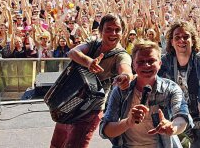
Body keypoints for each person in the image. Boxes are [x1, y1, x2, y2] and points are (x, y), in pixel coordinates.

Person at [50, 13, 133, 148]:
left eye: (117, 29)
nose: (113, 33)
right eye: (109, 29)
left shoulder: (121, 55)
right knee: (57, 143)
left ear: (123, 32)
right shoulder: (93, 43)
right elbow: (72, 52)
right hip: (70, 101)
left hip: (89, 109)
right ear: (101, 31)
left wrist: (126, 77)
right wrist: (89, 62)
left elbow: (125, 68)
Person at [100, 40, 192, 148]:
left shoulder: (171, 88)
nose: (146, 65)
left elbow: (182, 116)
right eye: (140, 62)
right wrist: (128, 122)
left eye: (151, 60)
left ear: (160, 64)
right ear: (133, 65)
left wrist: (173, 127)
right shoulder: (120, 91)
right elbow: (105, 129)